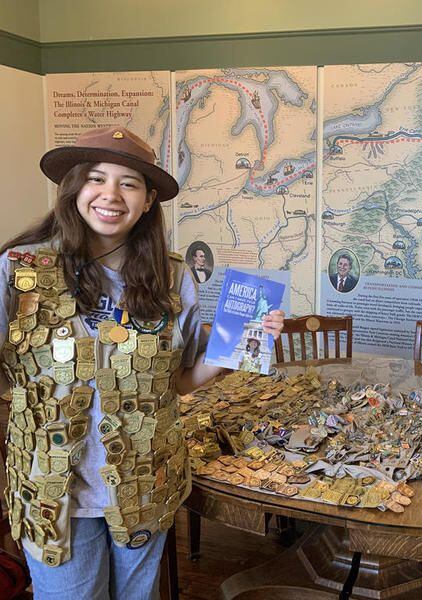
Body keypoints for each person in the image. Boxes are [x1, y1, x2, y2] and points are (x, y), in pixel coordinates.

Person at [0, 126, 284, 599]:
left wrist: (236, 349)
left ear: (149, 199)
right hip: (53, 493)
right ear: (72, 188)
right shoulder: (19, 270)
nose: (110, 195)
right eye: (95, 178)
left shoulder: (172, 277)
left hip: (145, 481)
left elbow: (176, 382)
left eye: (128, 183)